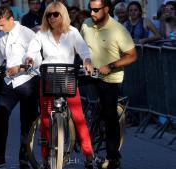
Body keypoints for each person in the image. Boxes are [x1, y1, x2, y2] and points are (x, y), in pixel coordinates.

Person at [25, 2, 95, 169]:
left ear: (63, 15)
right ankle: (44, 158)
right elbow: (32, 51)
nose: (51, 18)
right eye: (48, 15)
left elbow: (84, 50)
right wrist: (29, 59)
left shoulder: (72, 32)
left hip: (67, 78)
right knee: (45, 118)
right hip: (48, 78)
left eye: (55, 14)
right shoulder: (41, 34)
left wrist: (87, 61)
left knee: (78, 117)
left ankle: (89, 155)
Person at [81, 0, 137, 168]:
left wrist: (111, 66)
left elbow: (132, 55)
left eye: (96, 10)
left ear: (106, 9)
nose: (92, 13)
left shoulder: (118, 30)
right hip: (89, 73)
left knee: (109, 114)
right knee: (65, 91)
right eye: (90, 9)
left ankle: (113, 157)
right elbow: (79, 47)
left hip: (109, 77)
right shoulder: (86, 24)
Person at [0, 5, 40, 169]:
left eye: (2, 25)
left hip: (28, 82)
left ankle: (24, 159)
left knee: (26, 122)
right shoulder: (2, 39)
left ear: (11, 19)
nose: (0, 29)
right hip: (9, 83)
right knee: (0, 116)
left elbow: (36, 60)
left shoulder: (27, 33)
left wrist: (20, 67)